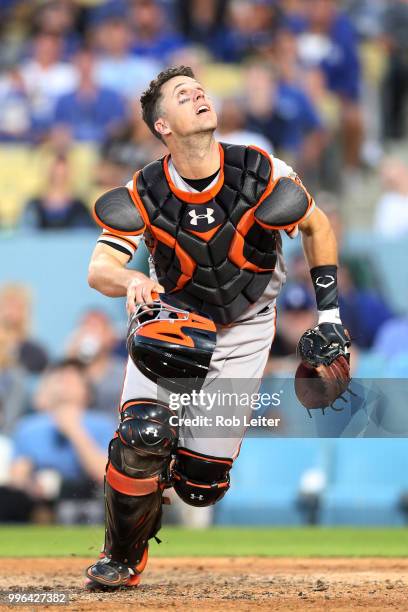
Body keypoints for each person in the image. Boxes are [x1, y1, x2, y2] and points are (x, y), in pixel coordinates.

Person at [85, 65, 349, 588]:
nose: (199, 95)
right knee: (142, 436)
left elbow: (317, 225)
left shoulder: (259, 169)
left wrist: (330, 314)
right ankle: (121, 555)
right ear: (163, 125)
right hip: (174, 325)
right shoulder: (146, 187)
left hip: (246, 327)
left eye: (200, 89)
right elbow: (99, 269)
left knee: (202, 485)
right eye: (183, 95)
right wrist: (130, 281)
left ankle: (162, 481)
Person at [8, 359, 114, 519]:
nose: (65, 385)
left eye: (72, 381)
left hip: (93, 502)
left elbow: (106, 476)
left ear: (87, 391)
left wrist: (74, 430)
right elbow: (17, 478)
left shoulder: (103, 424)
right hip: (42, 506)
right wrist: (30, 484)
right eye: (60, 379)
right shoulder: (29, 426)